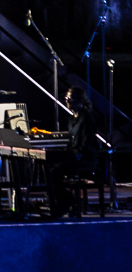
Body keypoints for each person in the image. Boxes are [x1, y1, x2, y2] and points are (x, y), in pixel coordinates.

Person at [47, 83, 101, 218]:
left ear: (79, 100)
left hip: (86, 159)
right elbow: (72, 142)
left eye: (69, 99)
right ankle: (66, 202)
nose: (67, 101)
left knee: (55, 173)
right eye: (66, 98)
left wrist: (70, 154)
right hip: (76, 155)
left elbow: (86, 145)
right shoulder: (72, 119)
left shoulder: (86, 118)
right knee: (51, 169)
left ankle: (66, 203)